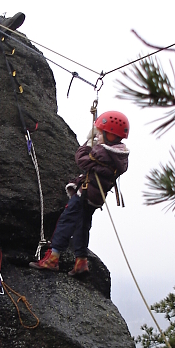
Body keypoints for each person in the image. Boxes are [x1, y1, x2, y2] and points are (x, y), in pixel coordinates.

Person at [30, 111, 130, 276]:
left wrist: (88, 143)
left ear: (110, 135)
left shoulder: (103, 152)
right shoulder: (119, 156)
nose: (97, 136)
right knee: (82, 226)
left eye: (99, 133)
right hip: (96, 197)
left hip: (85, 193)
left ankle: (53, 258)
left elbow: (81, 159)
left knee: (66, 221)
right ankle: (81, 262)